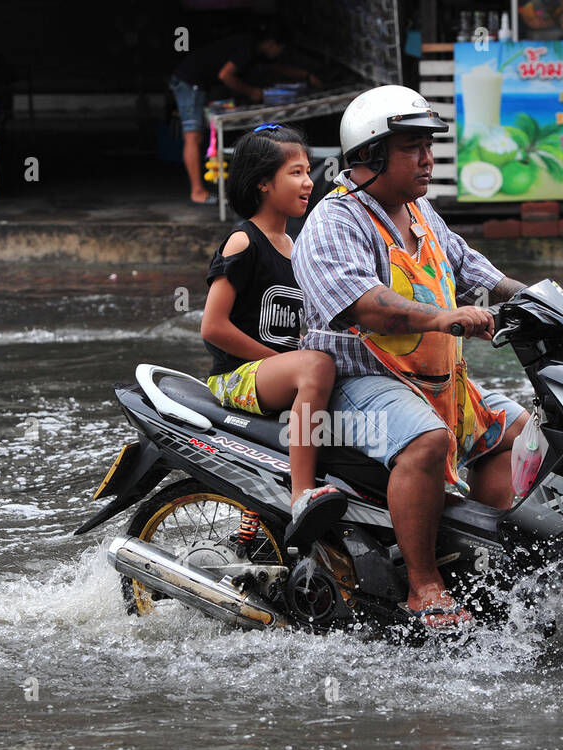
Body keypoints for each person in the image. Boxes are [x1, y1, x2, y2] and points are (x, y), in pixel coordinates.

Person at [292, 85, 531, 629]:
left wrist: (543, 301)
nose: (427, 159)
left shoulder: (421, 213)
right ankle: (425, 588)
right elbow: (366, 306)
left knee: (521, 432)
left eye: (429, 146)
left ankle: (481, 564)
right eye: (411, 148)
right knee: (427, 441)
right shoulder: (335, 221)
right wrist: (442, 317)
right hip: (360, 380)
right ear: (369, 156)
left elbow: (478, 273)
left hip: (440, 379)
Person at [201, 123, 346, 548]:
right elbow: (213, 326)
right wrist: (272, 359)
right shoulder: (243, 242)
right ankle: (301, 495)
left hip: (285, 376)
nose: (308, 182)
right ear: (263, 183)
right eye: (296, 173)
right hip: (237, 378)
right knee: (317, 366)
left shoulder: (297, 246)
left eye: (308, 171)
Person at [168, 25, 323, 204]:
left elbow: (276, 69)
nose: (280, 54)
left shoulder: (256, 51)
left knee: (198, 137)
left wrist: (307, 76)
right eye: (281, 49)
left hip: (200, 84)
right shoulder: (246, 48)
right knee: (193, 136)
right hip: (189, 82)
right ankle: (197, 191)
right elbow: (225, 75)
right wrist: (251, 92)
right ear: (272, 43)